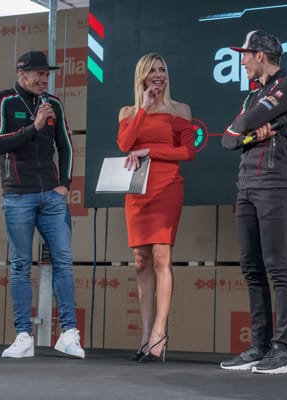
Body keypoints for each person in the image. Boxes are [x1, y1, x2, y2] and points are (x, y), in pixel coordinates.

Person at [0, 50, 85, 359]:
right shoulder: (2, 101)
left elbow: (66, 146)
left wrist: (64, 185)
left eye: (47, 74)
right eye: (40, 74)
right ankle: (23, 336)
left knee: (63, 262)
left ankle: (69, 333)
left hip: (51, 197)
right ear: (22, 73)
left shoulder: (54, 103)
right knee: (20, 265)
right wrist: (33, 127)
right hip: (17, 196)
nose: (45, 79)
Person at [220, 30, 287, 374]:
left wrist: (247, 130)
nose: (241, 61)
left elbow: (243, 124)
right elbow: (228, 139)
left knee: (276, 267)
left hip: (273, 183)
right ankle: (259, 347)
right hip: (245, 186)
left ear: (260, 55)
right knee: (251, 268)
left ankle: (283, 351)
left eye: (245, 54)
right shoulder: (253, 95)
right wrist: (253, 134)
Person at [117, 53, 195, 363]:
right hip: (138, 190)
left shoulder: (180, 110)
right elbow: (125, 145)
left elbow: (187, 152)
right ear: (142, 76)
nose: (159, 74)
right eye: (152, 71)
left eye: (162, 69)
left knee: (162, 255)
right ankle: (145, 334)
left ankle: (159, 334)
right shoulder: (128, 111)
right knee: (140, 260)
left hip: (167, 186)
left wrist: (149, 150)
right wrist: (144, 108)